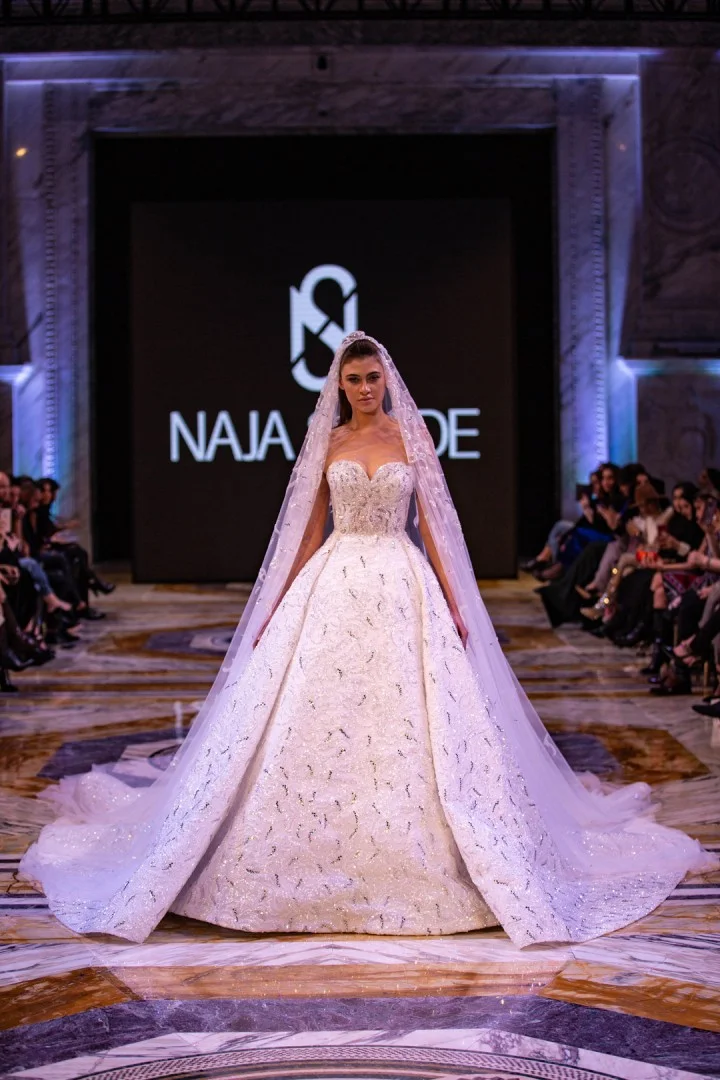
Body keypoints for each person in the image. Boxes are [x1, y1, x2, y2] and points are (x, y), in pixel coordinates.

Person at [21, 332, 716, 946]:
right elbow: (307, 533)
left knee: (414, 717)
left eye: (371, 377)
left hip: (402, 582)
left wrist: (456, 600)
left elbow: (435, 527)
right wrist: (275, 605)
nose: (362, 388)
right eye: (352, 379)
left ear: (387, 379)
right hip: (334, 581)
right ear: (339, 383)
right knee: (311, 714)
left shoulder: (413, 438)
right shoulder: (328, 442)